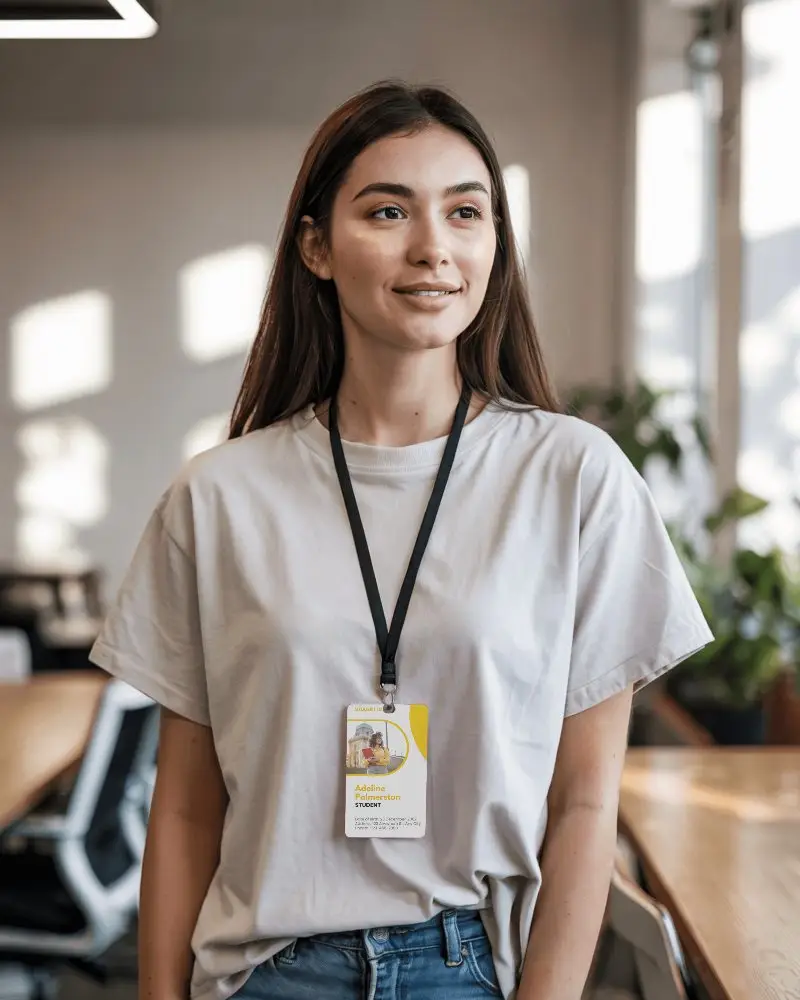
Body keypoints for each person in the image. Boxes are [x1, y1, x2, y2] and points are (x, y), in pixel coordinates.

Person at [89, 79, 713, 1000]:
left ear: (495, 244)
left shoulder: (576, 477)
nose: (433, 248)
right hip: (265, 971)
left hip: (470, 968)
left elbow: (583, 805)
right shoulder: (219, 496)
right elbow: (184, 811)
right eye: (388, 211)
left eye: (467, 213)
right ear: (316, 246)